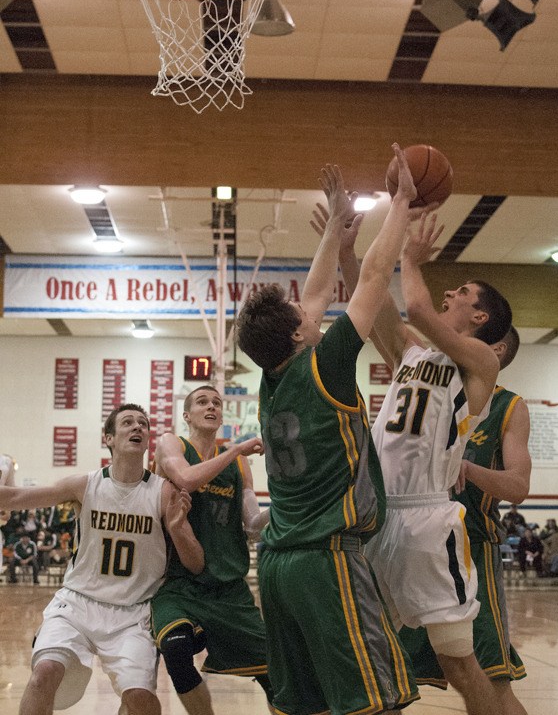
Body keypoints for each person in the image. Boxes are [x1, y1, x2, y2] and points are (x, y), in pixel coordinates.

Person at [236, 147, 422, 715]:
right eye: (302, 317)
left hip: (276, 566)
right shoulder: (328, 365)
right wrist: (401, 202)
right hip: (326, 561)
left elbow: (315, 293)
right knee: (375, 701)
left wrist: (334, 225)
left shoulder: (271, 379)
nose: (311, 310)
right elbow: (373, 276)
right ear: (298, 336)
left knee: (303, 705)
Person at [327, 188, 511, 714]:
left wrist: (410, 258)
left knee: (459, 664)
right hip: (378, 515)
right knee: (369, 656)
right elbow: (375, 301)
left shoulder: (480, 362)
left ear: (480, 318)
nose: (452, 292)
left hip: (430, 522)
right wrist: (347, 251)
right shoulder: (410, 353)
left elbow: (418, 308)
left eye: (463, 292)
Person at [0, 403, 204, 715]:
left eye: (143, 423)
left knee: (141, 700)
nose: (137, 427)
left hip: (134, 612)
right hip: (77, 603)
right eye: (128, 422)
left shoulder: (164, 492)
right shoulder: (84, 485)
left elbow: (195, 563)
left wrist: (177, 528)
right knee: (44, 674)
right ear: (108, 438)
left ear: (147, 440)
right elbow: (14, 498)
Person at [398, 327, 531, 715]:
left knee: (492, 682)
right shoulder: (430, 389)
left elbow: (518, 487)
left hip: (472, 549)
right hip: (415, 545)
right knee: (383, 675)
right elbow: (388, 325)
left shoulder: (509, 406)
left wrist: (468, 468)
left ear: (496, 349)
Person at [151, 384, 273, 715]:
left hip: (229, 590)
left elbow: (252, 524)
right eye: (202, 402)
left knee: (276, 674)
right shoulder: (172, 443)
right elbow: (186, 478)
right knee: (176, 652)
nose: (211, 407)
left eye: (217, 403)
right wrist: (236, 450)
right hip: (179, 585)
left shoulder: (239, 465)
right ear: (186, 414)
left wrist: (287, 504)